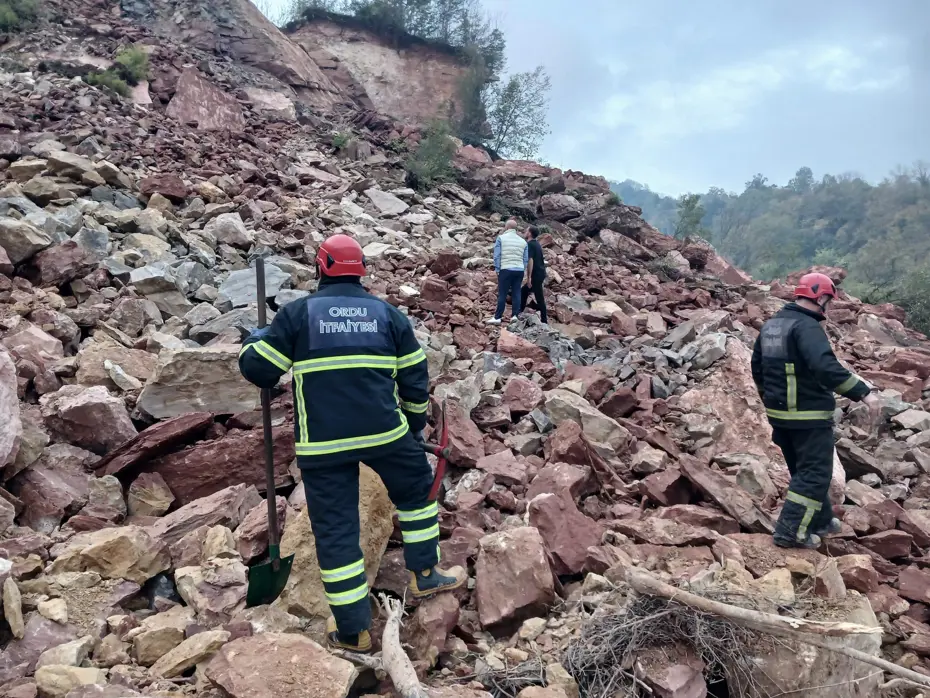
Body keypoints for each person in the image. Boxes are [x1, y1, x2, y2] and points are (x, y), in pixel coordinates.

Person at [238, 235, 465, 654]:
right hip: (386, 435)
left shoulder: (298, 315)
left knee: (336, 530)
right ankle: (425, 574)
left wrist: (255, 340)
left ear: (321, 267)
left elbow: (260, 371)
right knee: (417, 493)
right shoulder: (387, 315)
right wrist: (414, 426)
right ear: (361, 270)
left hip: (323, 446)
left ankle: (353, 630)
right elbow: (415, 377)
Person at [751, 272, 881, 550]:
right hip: (808, 416)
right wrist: (863, 392)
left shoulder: (772, 325)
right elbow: (825, 368)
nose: (829, 307)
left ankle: (820, 520)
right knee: (815, 474)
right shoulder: (807, 327)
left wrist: (771, 400)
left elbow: (758, 369)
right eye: (829, 301)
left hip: (780, 416)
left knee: (804, 470)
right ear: (820, 297)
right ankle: (790, 532)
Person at [486, 219, 528, 325]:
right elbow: (525, 258)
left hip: (506, 269)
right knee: (517, 293)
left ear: (507, 227)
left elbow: (497, 255)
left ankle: (497, 317)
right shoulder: (523, 241)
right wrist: (522, 268)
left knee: (502, 293)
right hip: (519, 270)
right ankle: (515, 316)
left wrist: (497, 269)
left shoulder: (501, 238)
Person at [520, 225, 548, 325]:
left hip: (536, 274)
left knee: (539, 297)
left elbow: (530, 260)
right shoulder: (536, 243)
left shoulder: (530, 245)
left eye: (526, 231)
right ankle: (519, 312)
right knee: (524, 291)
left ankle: (544, 320)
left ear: (529, 233)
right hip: (540, 273)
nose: (524, 232)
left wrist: (529, 277)